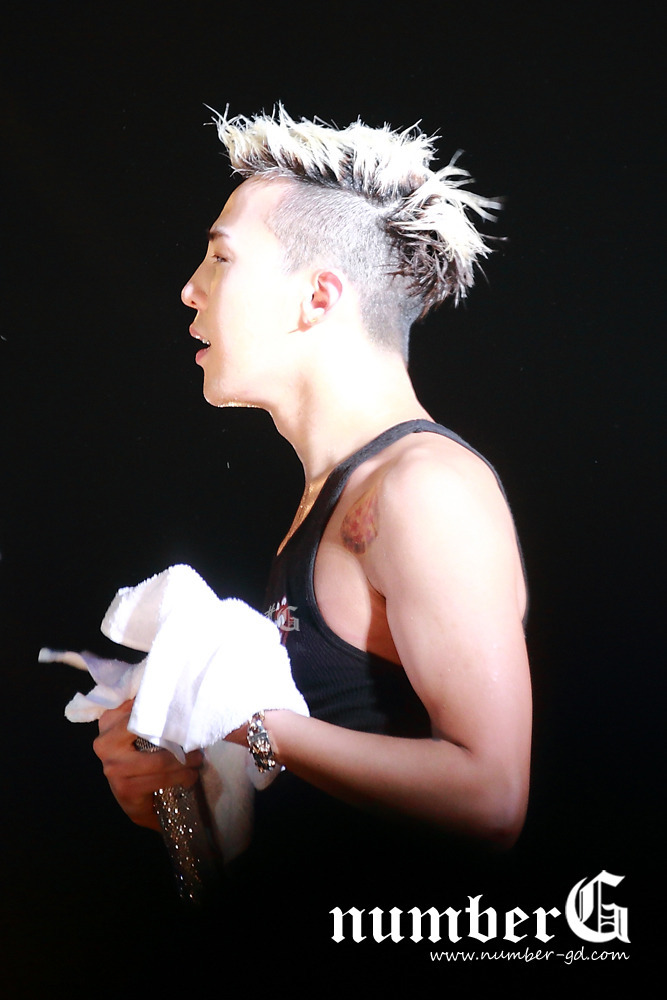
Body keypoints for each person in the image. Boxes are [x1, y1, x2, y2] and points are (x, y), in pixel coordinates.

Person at [94, 107, 531, 889]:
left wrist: (253, 726)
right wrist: (173, 795)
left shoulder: (422, 490)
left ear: (318, 296)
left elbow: (491, 800)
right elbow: (284, 840)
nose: (190, 289)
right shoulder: (327, 502)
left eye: (221, 259)